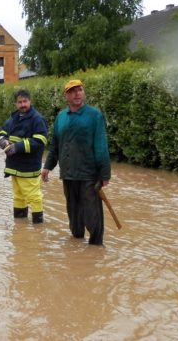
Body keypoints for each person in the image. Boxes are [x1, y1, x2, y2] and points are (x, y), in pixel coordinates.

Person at [41, 79, 111, 245]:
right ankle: (77, 242)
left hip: (89, 175)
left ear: (83, 92)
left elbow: (101, 145)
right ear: (66, 95)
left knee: (92, 214)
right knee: (73, 213)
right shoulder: (61, 117)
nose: (77, 94)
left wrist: (105, 174)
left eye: (79, 90)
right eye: (72, 91)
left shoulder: (94, 115)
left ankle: (95, 246)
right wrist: (47, 167)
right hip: (68, 174)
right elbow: (55, 145)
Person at [0, 89, 48, 224]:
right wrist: (2, 141)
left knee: (34, 197)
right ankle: (20, 227)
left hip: (28, 167)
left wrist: (17, 147)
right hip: (15, 167)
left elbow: (40, 141)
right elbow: (2, 132)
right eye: (19, 102)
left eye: (25, 101)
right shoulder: (13, 118)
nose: (22, 105)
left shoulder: (37, 119)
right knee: (18, 197)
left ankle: (38, 228)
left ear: (30, 101)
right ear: (15, 104)